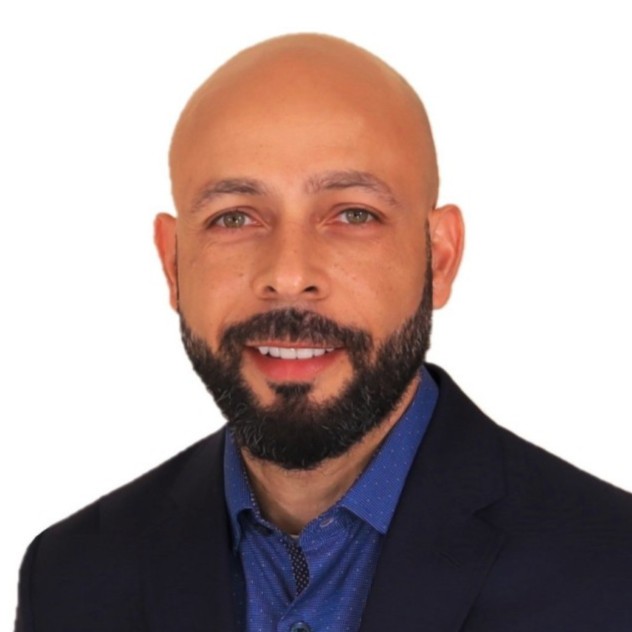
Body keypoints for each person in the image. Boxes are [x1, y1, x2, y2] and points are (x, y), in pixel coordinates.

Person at [15, 33, 632, 632]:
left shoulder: (614, 571)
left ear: (439, 259)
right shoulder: (69, 579)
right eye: (235, 217)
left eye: (353, 214)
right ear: (173, 264)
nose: (289, 275)